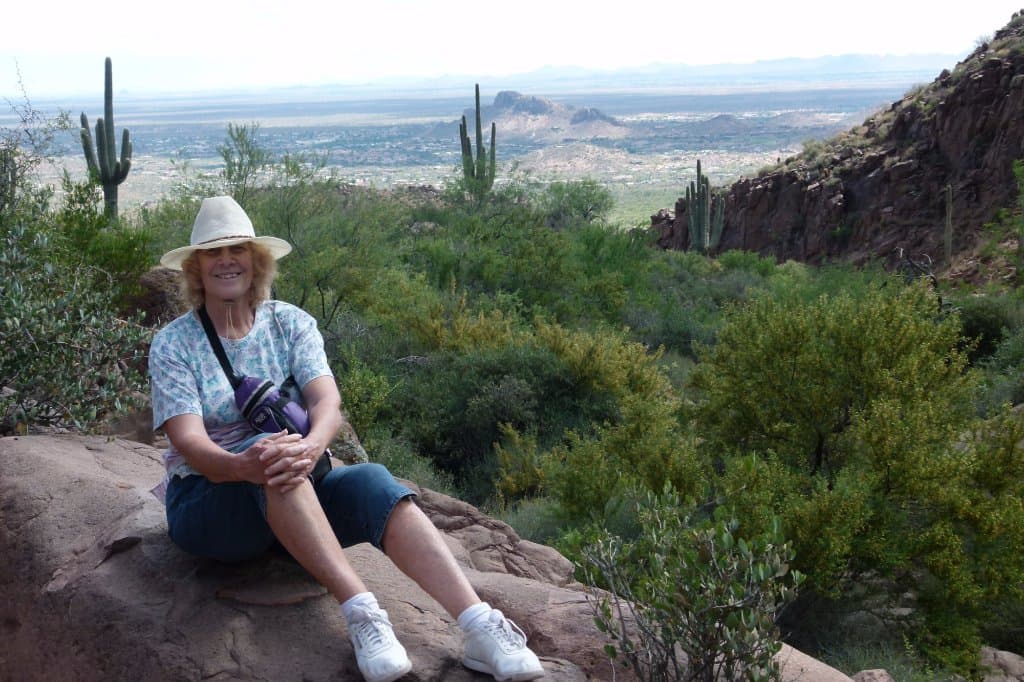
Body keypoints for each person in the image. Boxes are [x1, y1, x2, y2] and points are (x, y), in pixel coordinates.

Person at [149, 196, 546, 682]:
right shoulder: (174, 343)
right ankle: (364, 615)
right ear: (196, 268)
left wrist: (313, 446)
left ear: (257, 261)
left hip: (296, 494)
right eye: (213, 252)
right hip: (211, 502)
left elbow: (327, 404)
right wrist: (246, 464)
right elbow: (189, 442)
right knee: (278, 464)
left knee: (376, 483)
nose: (227, 260)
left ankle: (481, 626)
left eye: (238, 249)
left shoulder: (290, 323)